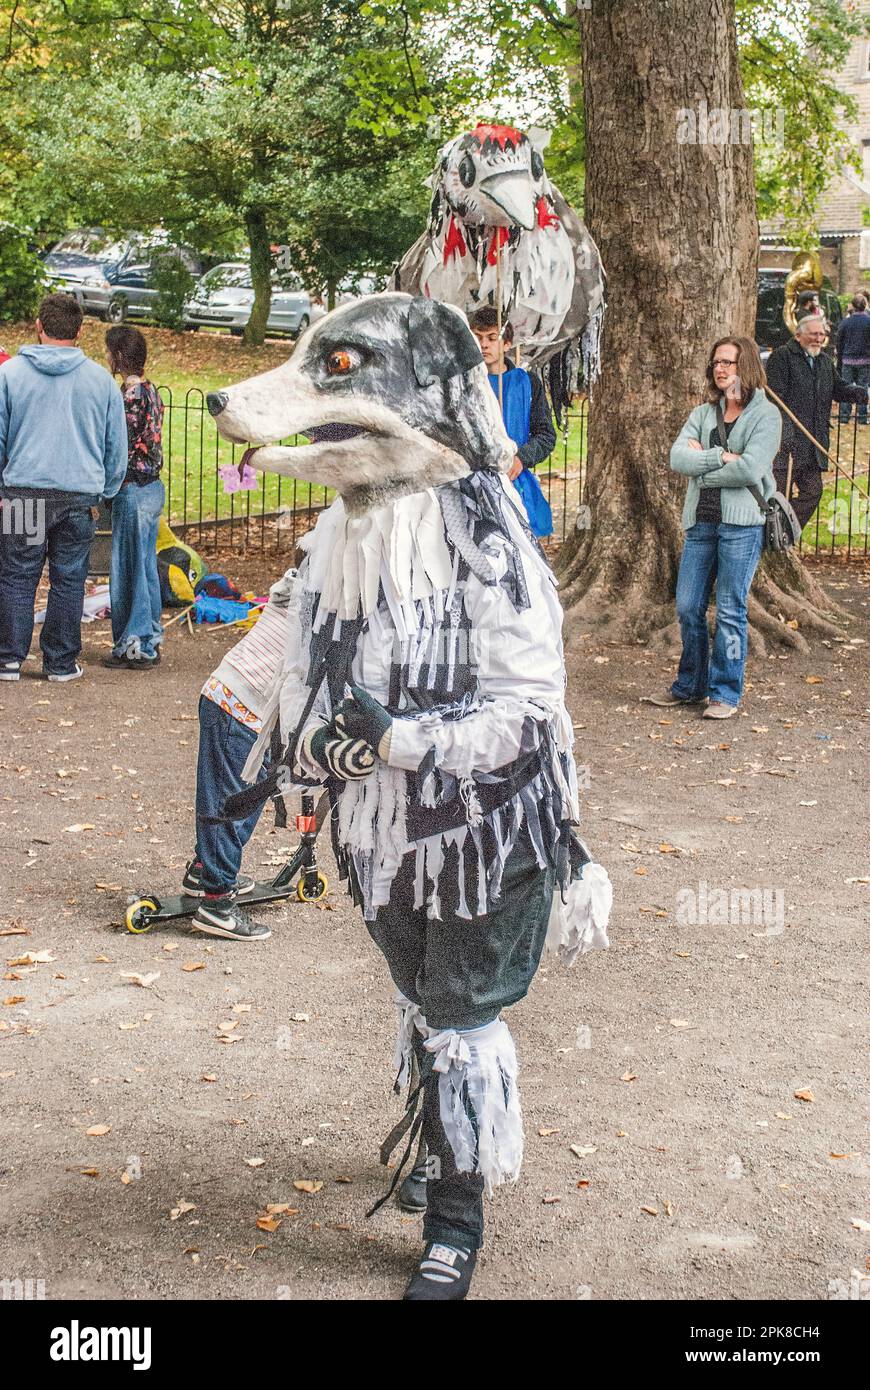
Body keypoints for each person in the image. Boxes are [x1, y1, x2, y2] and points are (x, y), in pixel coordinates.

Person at [647, 336, 781, 720]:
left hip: (741, 527)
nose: (720, 369)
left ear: (747, 367)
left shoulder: (765, 416)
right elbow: (677, 458)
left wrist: (702, 466)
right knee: (688, 606)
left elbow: (750, 468)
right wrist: (720, 456)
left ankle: (725, 691)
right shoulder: (704, 414)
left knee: (730, 610)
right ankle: (690, 685)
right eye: (716, 362)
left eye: (729, 362)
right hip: (701, 524)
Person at [0, 293, 126, 682]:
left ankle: (8, 658)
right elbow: (115, 445)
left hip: (25, 492)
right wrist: (106, 489)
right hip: (78, 496)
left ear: (38, 326)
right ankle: (59, 662)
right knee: (69, 579)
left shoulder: (10, 376)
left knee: (17, 575)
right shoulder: (101, 381)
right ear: (80, 330)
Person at [180, 567, 296, 941]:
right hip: (238, 706)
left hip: (238, 703)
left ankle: (205, 869)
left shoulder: (295, 588)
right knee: (230, 801)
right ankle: (216, 903)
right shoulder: (317, 605)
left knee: (254, 789)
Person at [765, 312, 869, 530]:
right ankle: (769, 538)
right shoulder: (782, 357)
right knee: (777, 497)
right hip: (785, 447)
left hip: (813, 445)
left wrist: (863, 394)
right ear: (798, 334)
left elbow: (839, 388)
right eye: (813, 334)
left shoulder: (823, 361)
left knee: (813, 493)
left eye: (822, 334)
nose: (819, 338)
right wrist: (786, 433)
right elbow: (774, 399)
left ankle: (783, 532)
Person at [102, 326, 165, 669]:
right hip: (152, 486)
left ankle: (135, 642)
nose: (106, 358)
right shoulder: (151, 391)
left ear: (120, 357)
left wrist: (106, 485)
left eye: (109, 352)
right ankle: (149, 634)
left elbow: (120, 446)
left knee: (129, 568)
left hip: (134, 488)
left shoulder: (130, 396)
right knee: (145, 566)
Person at [469, 305, 556, 537]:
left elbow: (546, 435)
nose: (484, 345)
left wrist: (521, 459)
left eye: (491, 338)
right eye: (477, 338)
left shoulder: (528, 384)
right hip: (472, 484)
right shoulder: (464, 384)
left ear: (507, 343)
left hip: (514, 479)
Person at [836, 294, 870, 425]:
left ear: (853, 306)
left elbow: (839, 340)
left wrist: (840, 355)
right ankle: (862, 417)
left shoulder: (846, 322)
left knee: (846, 387)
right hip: (865, 360)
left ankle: (844, 416)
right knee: (863, 387)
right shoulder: (868, 321)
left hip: (848, 359)